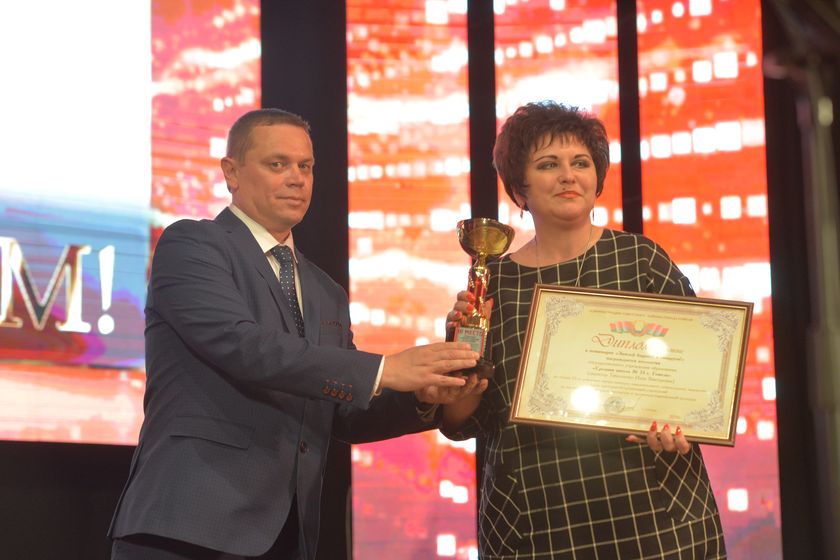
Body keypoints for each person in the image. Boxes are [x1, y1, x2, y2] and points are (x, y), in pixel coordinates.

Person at [108, 108, 479, 560]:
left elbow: (341, 413)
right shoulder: (192, 244)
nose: (297, 179)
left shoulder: (326, 291)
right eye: (277, 164)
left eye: (306, 166)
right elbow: (244, 347)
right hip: (187, 526)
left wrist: (424, 393)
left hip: (287, 536)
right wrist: (385, 369)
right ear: (231, 172)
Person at [441, 101, 726, 559]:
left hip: (653, 518)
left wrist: (684, 423)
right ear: (519, 187)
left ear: (597, 177)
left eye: (581, 163)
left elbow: (696, 377)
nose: (567, 176)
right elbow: (463, 421)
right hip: (534, 521)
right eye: (547, 164)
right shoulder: (494, 282)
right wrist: (458, 358)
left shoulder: (641, 260)